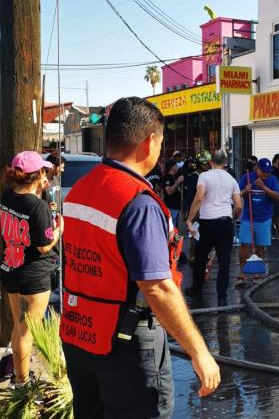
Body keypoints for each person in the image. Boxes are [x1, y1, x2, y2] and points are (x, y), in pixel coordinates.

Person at [60, 97, 220, 418]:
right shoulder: (138, 202)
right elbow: (158, 287)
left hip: (79, 336)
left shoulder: (80, 189)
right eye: (161, 142)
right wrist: (199, 352)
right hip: (126, 346)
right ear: (148, 143)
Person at [0, 152, 62, 386]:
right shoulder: (38, 207)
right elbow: (44, 245)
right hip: (33, 277)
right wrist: (59, 231)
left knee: (19, 328)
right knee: (27, 333)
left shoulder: (7, 196)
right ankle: (22, 383)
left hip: (10, 268)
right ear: (37, 176)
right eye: (44, 171)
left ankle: (19, 376)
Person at [185, 150, 242, 305]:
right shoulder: (231, 179)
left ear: (210, 162)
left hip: (207, 222)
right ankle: (222, 296)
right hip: (225, 222)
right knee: (224, 260)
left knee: (201, 258)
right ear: (224, 162)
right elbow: (238, 205)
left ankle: (196, 290)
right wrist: (232, 217)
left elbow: (199, 198)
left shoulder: (204, 176)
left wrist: (189, 219)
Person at [237, 158, 279, 285]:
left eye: (268, 172)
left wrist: (263, 187)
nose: (267, 174)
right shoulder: (247, 177)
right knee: (244, 244)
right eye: (264, 172)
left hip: (264, 218)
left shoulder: (272, 179)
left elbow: (277, 196)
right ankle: (242, 271)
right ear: (257, 169)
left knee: (260, 246)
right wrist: (245, 190)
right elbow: (236, 194)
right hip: (247, 217)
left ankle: (257, 272)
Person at [162, 159, 184, 227]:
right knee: (172, 227)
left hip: (176, 207)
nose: (177, 167)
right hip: (171, 207)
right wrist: (178, 181)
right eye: (176, 165)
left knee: (176, 228)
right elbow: (169, 191)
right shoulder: (167, 177)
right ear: (172, 167)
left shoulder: (174, 177)